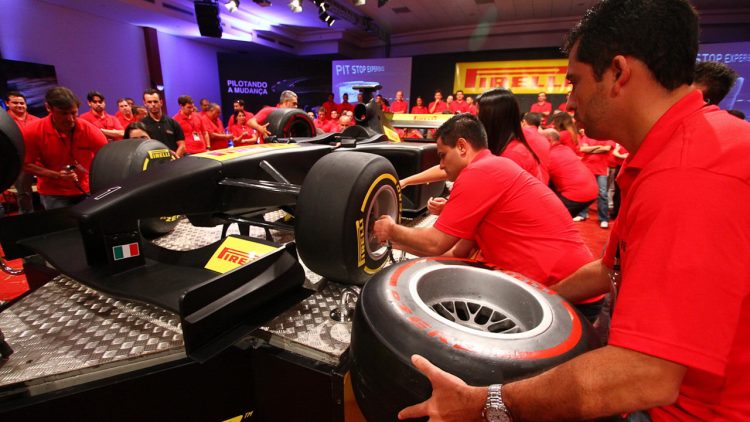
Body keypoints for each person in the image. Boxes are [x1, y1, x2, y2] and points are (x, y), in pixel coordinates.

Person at [398, 1, 750, 421]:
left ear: (618, 73)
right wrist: (537, 304)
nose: (569, 100)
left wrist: (485, 404)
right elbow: (608, 269)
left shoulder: (689, 174)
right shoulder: (669, 153)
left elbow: (645, 374)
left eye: (575, 82)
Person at [374, 114, 593, 287]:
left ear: (462, 147)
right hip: (564, 279)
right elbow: (455, 253)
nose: (441, 165)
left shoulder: (479, 172)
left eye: (442, 155)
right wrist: (394, 241)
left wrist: (392, 230)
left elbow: (435, 243)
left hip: (565, 287)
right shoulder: (491, 165)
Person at [401, 89, 545, 186]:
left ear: (493, 119)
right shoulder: (498, 146)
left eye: (479, 115)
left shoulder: (514, 155)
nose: (476, 119)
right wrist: (405, 182)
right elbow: (449, 167)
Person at [22, 87, 107, 209]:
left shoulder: (89, 130)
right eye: (63, 113)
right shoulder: (33, 131)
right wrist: (56, 175)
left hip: (85, 188)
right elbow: (25, 164)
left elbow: (107, 157)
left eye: (73, 113)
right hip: (53, 192)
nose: (70, 119)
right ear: (48, 108)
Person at [541, 128, 597, 217]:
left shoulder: (548, 155)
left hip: (576, 194)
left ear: (549, 140)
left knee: (549, 217)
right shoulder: (566, 149)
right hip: (591, 190)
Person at [5, 91, 40, 214]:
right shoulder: (5, 122)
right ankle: (26, 216)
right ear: (7, 104)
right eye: (15, 103)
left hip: (39, 160)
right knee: (24, 192)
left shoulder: (37, 120)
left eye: (22, 103)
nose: (19, 105)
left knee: (49, 188)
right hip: (19, 162)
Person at [575, 130, 614, 227]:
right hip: (587, 168)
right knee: (584, 192)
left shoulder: (608, 136)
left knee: (602, 194)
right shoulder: (588, 135)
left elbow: (606, 148)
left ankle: (603, 218)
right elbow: (583, 149)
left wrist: (590, 149)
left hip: (601, 170)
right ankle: (582, 214)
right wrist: (599, 147)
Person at [140, 88, 186, 157]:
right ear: (145, 103)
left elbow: (182, 145)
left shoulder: (173, 123)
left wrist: (174, 158)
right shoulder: (142, 125)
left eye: (155, 101)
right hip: (154, 162)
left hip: (174, 161)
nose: (153, 104)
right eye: (149, 102)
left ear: (161, 102)